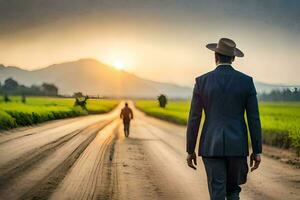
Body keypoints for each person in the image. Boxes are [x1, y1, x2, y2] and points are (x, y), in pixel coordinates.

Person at [186, 38, 262, 200]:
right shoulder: (246, 82)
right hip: (237, 146)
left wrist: (190, 149)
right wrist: (257, 151)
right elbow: (254, 118)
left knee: (217, 192)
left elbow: (194, 117)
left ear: (215, 56)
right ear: (233, 58)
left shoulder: (201, 81)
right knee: (233, 191)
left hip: (211, 146)